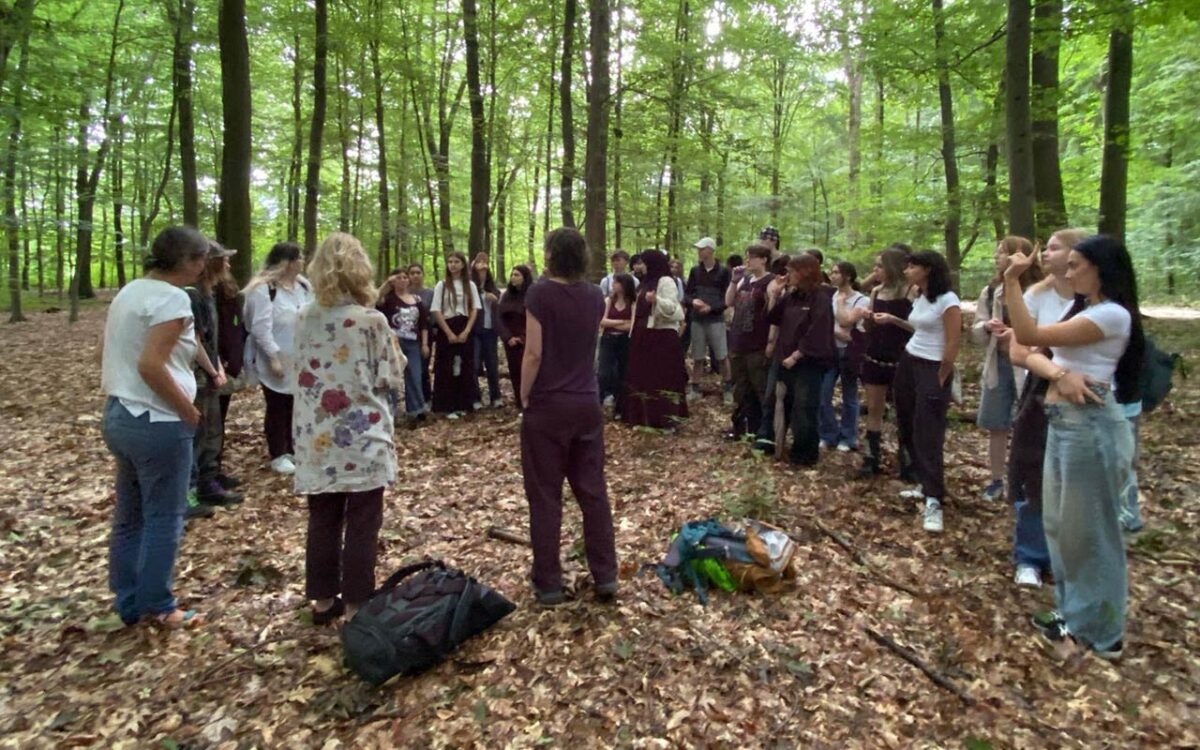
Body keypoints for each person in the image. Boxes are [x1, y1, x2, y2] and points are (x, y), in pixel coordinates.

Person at [1003, 234, 1143, 660]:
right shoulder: (1084, 309)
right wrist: (1060, 374)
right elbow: (1025, 352)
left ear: (1101, 268)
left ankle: (1104, 635)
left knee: (1091, 533)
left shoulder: (1112, 314)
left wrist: (1011, 280)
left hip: (1091, 427)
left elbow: (1027, 333)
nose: (1068, 271)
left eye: (1076, 264)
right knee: (1061, 527)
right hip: (1063, 422)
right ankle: (1073, 615)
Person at [293, 232, 406, 624]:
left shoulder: (303, 317)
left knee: (322, 517)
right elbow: (391, 374)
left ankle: (323, 601)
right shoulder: (370, 321)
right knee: (362, 521)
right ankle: (358, 604)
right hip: (362, 435)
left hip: (316, 436)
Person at [100, 226, 210, 628]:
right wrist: (187, 410)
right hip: (157, 420)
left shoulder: (131, 291)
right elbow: (150, 365)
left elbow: (115, 351)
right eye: (201, 259)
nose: (203, 267)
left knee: (131, 515)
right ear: (187, 260)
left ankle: (129, 600)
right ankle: (159, 605)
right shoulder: (172, 298)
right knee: (165, 515)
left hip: (120, 414)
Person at [520, 227, 618, 605]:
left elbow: (533, 353)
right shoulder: (595, 296)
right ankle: (606, 575)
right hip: (586, 402)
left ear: (551, 255)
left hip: (548, 404)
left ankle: (548, 583)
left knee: (546, 496)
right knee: (592, 492)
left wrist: (524, 393)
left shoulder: (540, 293)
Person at [1006, 228, 1084, 588]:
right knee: (1035, 474)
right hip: (1040, 396)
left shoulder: (1096, 300)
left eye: (1054, 248)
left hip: (1086, 401)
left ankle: (1069, 556)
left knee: (1076, 480)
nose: (1045, 253)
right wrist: (1056, 371)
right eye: (1046, 248)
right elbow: (1018, 351)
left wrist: (1043, 354)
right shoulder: (1035, 295)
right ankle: (1031, 556)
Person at [888, 251, 961, 533]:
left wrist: (943, 373)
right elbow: (917, 326)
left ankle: (934, 499)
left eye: (912, 266)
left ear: (928, 269)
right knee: (907, 423)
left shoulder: (948, 300)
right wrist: (893, 321)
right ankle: (923, 482)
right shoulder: (921, 296)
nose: (907, 270)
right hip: (910, 361)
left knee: (928, 429)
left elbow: (953, 340)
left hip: (933, 366)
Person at [971, 236, 1044, 502]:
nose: (996, 257)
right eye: (997, 252)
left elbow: (1045, 330)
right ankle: (996, 480)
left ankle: (1026, 480)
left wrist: (1015, 334)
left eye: (1002, 252)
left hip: (1030, 366)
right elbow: (976, 331)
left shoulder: (1039, 291)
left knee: (1030, 424)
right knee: (996, 424)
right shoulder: (991, 291)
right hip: (998, 364)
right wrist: (987, 327)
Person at [243, 241, 313, 474]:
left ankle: (293, 448)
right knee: (277, 404)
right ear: (287, 262)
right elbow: (259, 327)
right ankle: (278, 453)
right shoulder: (264, 289)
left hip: (301, 356)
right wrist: (273, 357)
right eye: (299, 258)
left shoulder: (303, 286)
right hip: (275, 356)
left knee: (296, 402)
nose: (302, 261)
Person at [186, 243, 242, 516]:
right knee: (198, 433)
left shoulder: (208, 293)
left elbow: (211, 339)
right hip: (196, 377)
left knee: (212, 431)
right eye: (224, 260)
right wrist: (212, 370)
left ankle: (209, 480)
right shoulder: (193, 295)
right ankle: (191, 492)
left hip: (209, 375)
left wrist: (217, 367)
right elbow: (194, 340)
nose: (228, 265)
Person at [766, 254, 836, 466]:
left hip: (808, 363)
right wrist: (775, 295)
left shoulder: (821, 298)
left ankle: (805, 454)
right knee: (781, 403)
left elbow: (818, 331)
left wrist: (797, 355)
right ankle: (776, 445)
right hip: (784, 358)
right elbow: (773, 318)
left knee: (804, 408)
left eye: (792, 272)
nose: (788, 275)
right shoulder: (792, 296)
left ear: (804, 272)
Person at [857, 245, 913, 477]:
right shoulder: (876, 292)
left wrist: (893, 320)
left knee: (904, 410)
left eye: (880, 266)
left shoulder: (911, 291)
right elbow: (868, 326)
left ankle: (908, 460)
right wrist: (867, 318)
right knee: (874, 407)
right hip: (875, 353)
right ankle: (871, 458)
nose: (875, 270)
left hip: (901, 355)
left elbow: (917, 326)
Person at [621, 250, 688, 429]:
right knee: (643, 377)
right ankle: (642, 418)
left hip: (662, 337)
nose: (641, 266)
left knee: (663, 378)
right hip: (643, 336)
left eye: (644, 263)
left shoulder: (666, 281)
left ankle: (666, 419)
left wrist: (656, 300)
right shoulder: (644, 283)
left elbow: (672, 306)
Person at [725, 244, 775, 439]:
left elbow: (773, 312)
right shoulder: (744, 281)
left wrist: (770, 342)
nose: (748, 260)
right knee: (740, 389)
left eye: (752, 257)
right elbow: (729, 301)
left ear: (763, 259)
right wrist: (733, 281)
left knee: (759, 388)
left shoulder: (770, 281)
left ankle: (764, 432)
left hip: (757, 344)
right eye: (747, 257)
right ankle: (740, 428)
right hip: (739, 342)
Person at [820, 261, 869, 451]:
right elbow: (827, 322)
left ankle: (848, 437)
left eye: (836, 273)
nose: (832, 276)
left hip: (849, 351)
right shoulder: (830, 296)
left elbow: (844, 321)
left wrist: (840, 304)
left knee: (849, 396)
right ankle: (828, 434)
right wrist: (834, 330)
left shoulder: (861, 300)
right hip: (830, 350)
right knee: (823, 394)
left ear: (847, 276)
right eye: (831, 272)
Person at [430, 251, 482, 417]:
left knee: (465, 365)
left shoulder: (470, 285)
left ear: (463, 264)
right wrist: (448, 333)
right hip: (447, 325)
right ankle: (447, 406)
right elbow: (436, 310)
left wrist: (467, 330)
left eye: (456, 262)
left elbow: (474, 309)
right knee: (446, 366)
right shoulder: (442, 285)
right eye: (450, 262)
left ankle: (463, 403)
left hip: (464, 324)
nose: (453, 265)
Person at [376, 267, 430, 422]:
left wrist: (424, 344)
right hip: (393, 343)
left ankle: (416, 410)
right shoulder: (387, 299)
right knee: (392, 377)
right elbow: (372, 301)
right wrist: (386, 284)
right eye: (398, 277)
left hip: (413, 343)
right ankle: (390, 412)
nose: (402, 280)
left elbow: (423, 324)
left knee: (414, 375)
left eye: (405, 277)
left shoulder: (416, 300)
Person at [213, 250, 246, 491]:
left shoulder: (228, 291)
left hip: (227, 361)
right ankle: (205, 475)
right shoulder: (203, 293)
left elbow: (234, 326)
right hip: (214, 364)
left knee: (218, 420)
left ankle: (213, 469)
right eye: (223, 260)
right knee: (208, 423)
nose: (228, 264)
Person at [686, 237, 733, 404]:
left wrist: (712, 308)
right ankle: (695, 388)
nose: (699, 252)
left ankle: (727, 388)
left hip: (716, 320)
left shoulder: (724, 272)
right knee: (698, 356)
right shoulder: (694, 271)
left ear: (711, 250)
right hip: (697, 320)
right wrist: (693, 302)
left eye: (702, 248)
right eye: (698, 249)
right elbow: (687, 295)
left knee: (722, 355)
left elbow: (727, 298)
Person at [497, 265, 534, 408]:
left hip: (528, 339)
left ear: (525, 278)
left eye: (517, 275)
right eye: (512, 275)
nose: (513, 278)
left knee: (529, 370)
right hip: (510, 340)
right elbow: (499, 318)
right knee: (515, 371)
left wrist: (523, 337)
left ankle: (531, 401)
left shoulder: (532, 295)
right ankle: (520, 402)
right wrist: (508, 337)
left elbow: (535, 319)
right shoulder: (507, 296)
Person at [597, 273, 635, 408]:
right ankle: (599, 401)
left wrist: (612, 323)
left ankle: (620, 405)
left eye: (616, 282)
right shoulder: (609, 300)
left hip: (624, 341)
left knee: (622, 373)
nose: (613, 285)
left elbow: (631, 325)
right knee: (604, 372)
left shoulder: (632, 302)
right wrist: (621, 321)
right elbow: (602, 321)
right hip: (608, 339)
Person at [471, 252, 503, 408]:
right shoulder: (471, 287)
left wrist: (495, 299)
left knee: (492, 365)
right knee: (474, 364)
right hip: (475, 331)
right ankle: (475, 398)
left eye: (485, 263)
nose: (482, 266)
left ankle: (495, 397)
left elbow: (499, 305)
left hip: (490, 331)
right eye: (479, 263)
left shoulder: (493, 289)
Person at [408, 263, 435, 403]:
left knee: (424, 366)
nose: (415, 276)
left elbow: (434, 313)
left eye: (418, 273)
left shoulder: (430, 293)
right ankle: (413, 400)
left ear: (423, 275)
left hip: (426, 332)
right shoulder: (403, 293)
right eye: (412, 273)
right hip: (407, 332)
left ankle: (426, 398)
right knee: (410, 368)